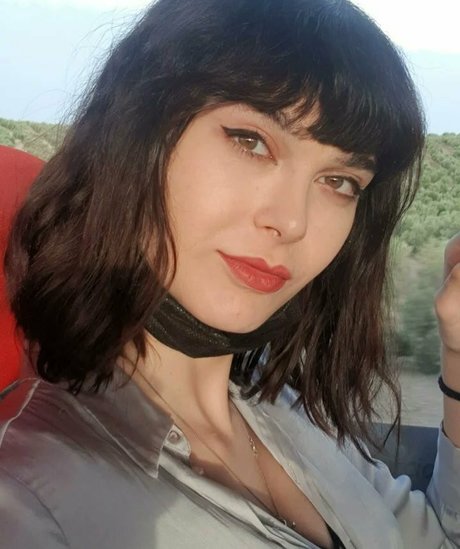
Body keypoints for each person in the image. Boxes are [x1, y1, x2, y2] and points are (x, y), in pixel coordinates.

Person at [0, 0, 459, 547]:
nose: (292, 221)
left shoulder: (285, 403)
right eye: (252, 141)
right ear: (135, 138)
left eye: (339, 182)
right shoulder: (30, 501)